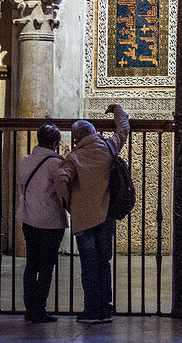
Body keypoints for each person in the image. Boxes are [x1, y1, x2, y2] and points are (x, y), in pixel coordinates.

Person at [54, 104, 130, 324]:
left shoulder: (74, 157)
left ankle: (91, 310)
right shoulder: (108, 147)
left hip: (84, 219)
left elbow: (61, 180)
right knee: (104, 262)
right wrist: (117, 110)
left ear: (76, 138)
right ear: (94, 132)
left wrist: (69, 204)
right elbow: (123, 129)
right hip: (106, 214)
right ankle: (106, 308)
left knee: (89, 264)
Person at [16, 123, 67, 323]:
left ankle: (30, 309)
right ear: (56, 142)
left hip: (29, 219)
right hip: (51, 222)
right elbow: (63, 191)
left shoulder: (26, 161)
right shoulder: (56, 163)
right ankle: (39, 309)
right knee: (46, 267)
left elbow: (22, 187)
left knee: (32, 264)